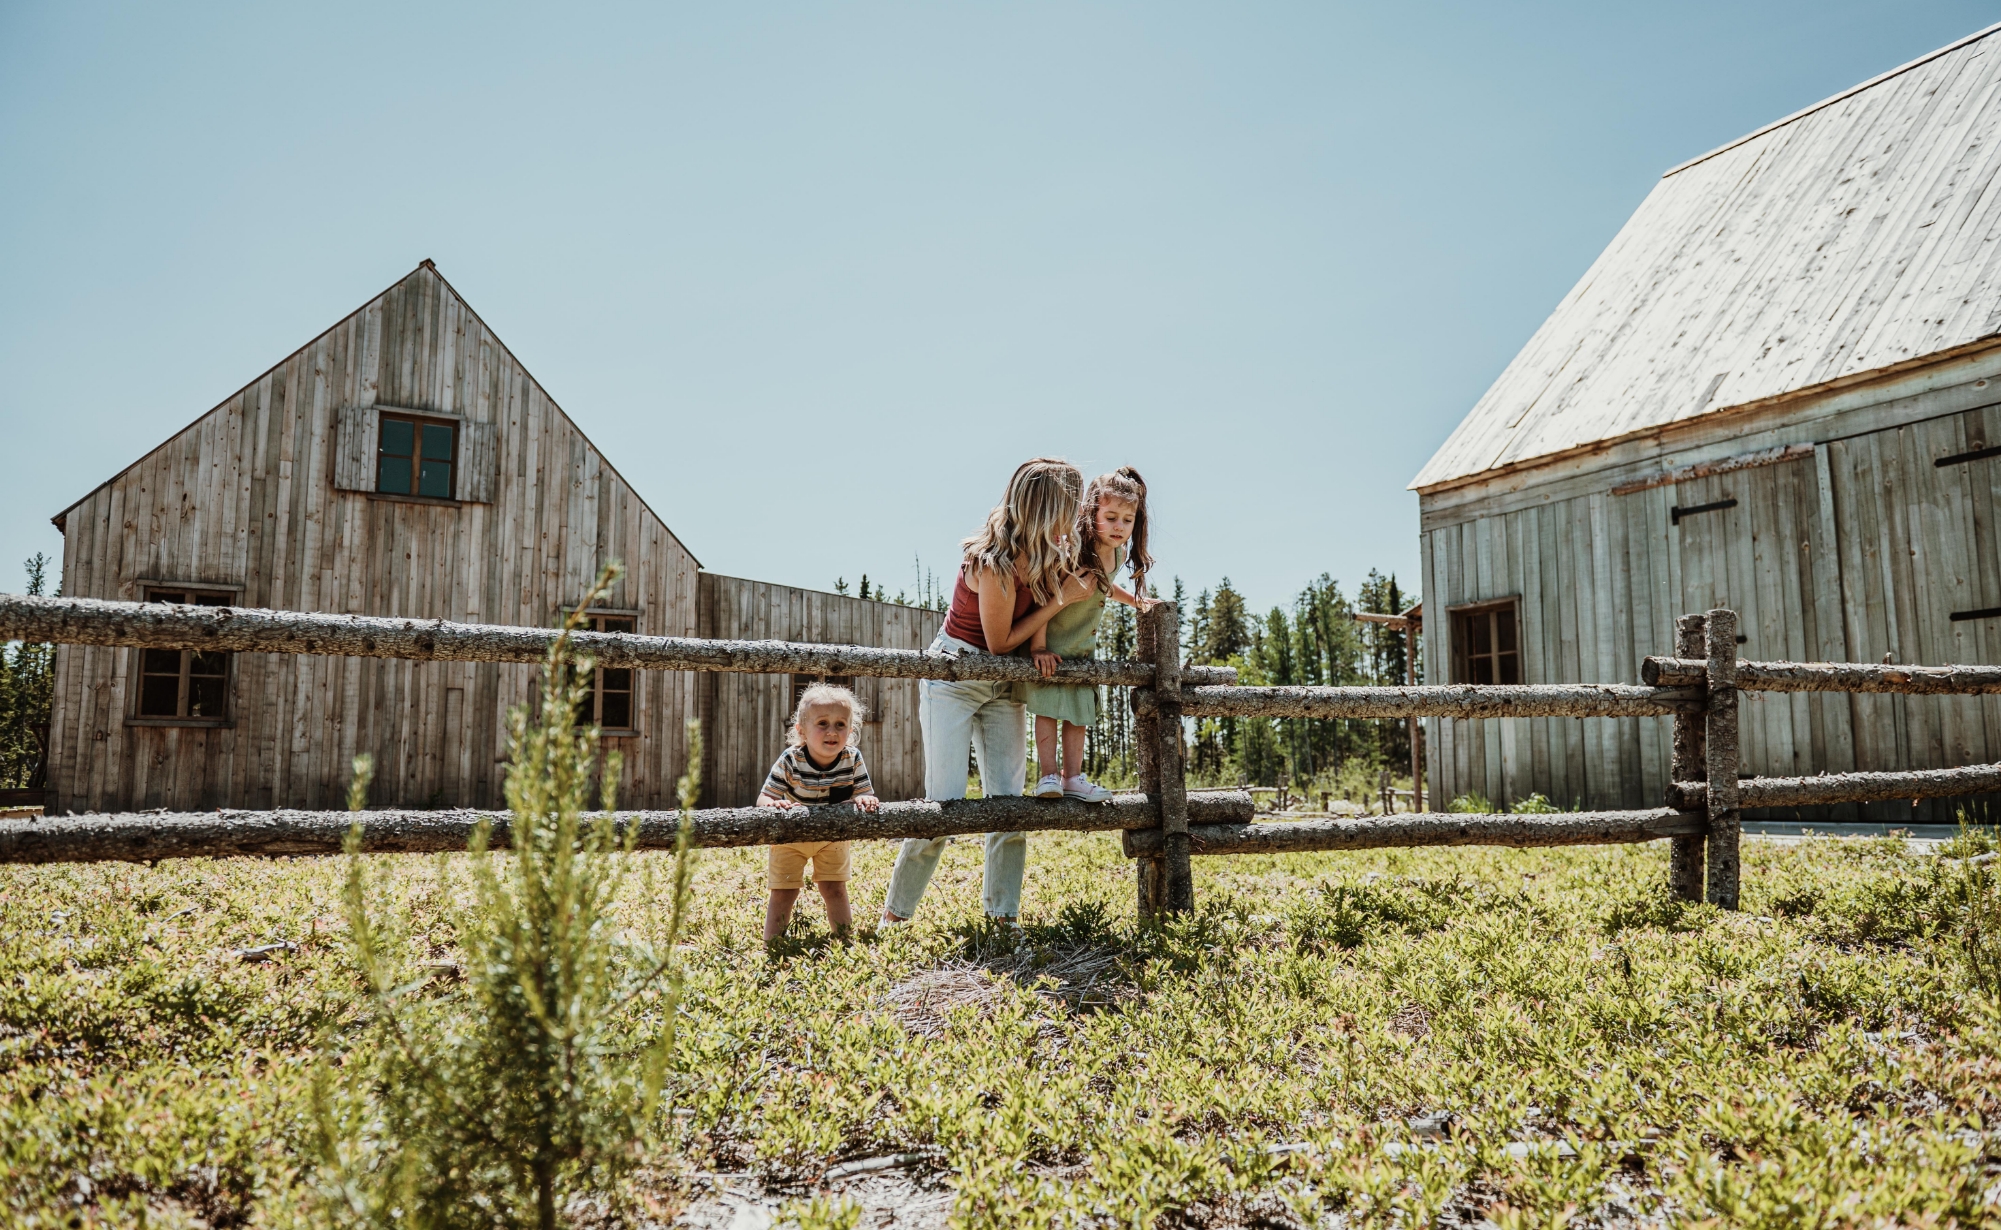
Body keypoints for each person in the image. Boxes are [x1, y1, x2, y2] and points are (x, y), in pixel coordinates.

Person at [879, 457, 1095, 928]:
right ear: (1048, 507)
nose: (1079, 514)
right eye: (1073, 504)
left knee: (1009, 804)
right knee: (945, 804)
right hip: (954, 678)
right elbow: (999, 644)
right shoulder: (992, 561)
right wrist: (1060, 600)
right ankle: (895, 919)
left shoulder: (1050, 554)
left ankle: (1003, 919)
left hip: (1005, 685)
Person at [1021, 467, 1157, 801]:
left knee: (1079, 715)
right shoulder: (1072, 547)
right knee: (1048, 710)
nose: (1119, 527)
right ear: (1091, 511)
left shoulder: (1118, 554)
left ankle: (1074, 777)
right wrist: (1038, 648)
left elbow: (1106, 587)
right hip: (1052, 646)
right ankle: (1048, 776)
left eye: (1128, 520)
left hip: (1082, 649)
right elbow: (1043, 591)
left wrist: (1136, 601)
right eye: (1110, 517)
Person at [757, 682, 879, 944]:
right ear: (801, 730)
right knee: (783, 892)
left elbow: (865, 793)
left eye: (840, 724)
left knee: (835, 889)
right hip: (791, 839)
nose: (832, 731)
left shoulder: (852, 758)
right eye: (822, 723)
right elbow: (764, 798)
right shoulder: (792, 759)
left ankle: (845, 943)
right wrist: (774, 805)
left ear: (851, 729)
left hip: (833, 839)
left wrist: (866, 801)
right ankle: (773, 945)